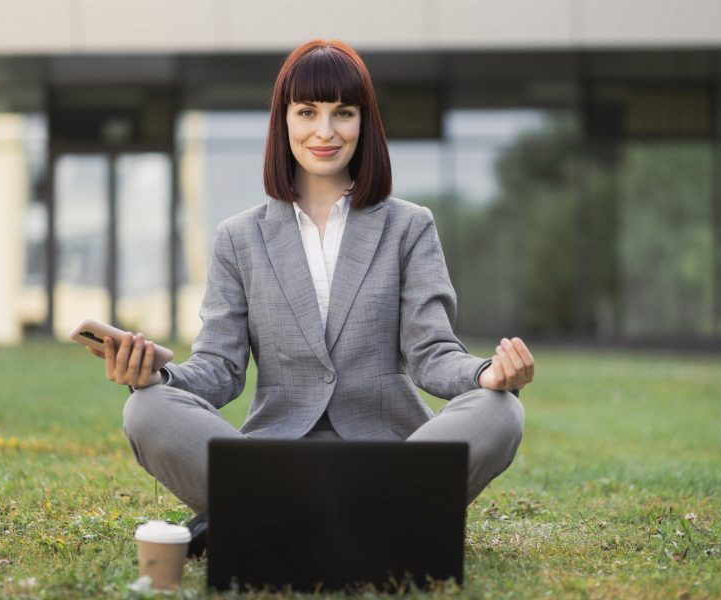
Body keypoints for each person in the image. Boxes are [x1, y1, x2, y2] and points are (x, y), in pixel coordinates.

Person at [91, 39, 534, 556]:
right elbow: (220, 368)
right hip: (276, 460)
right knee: (147, 410)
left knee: (501, 411)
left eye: (342, 113)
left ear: (364, 123)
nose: (325, 132)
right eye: (307, 112)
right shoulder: (239, 237)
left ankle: (264, 523)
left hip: (388, 458)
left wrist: (487, 375)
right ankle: (368, 525)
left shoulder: (410, 226)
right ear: (283, 121)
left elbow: (432, 354)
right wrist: (156, 375)